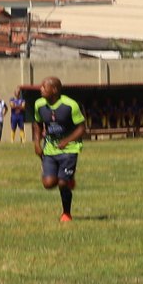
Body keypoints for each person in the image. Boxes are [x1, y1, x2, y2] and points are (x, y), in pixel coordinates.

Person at [30, 76, 87, 224]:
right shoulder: (39, 104)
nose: (40, 89)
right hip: (49, 149)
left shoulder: (70, 105)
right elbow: (37, 123)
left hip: (70, 149)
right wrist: (37, 143)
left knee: (62, 183)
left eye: (44, 86)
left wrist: (66, 141)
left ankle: (66, 213)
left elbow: (82, 128)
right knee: (48, 184)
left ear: (54, 90)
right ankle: (68, 179)